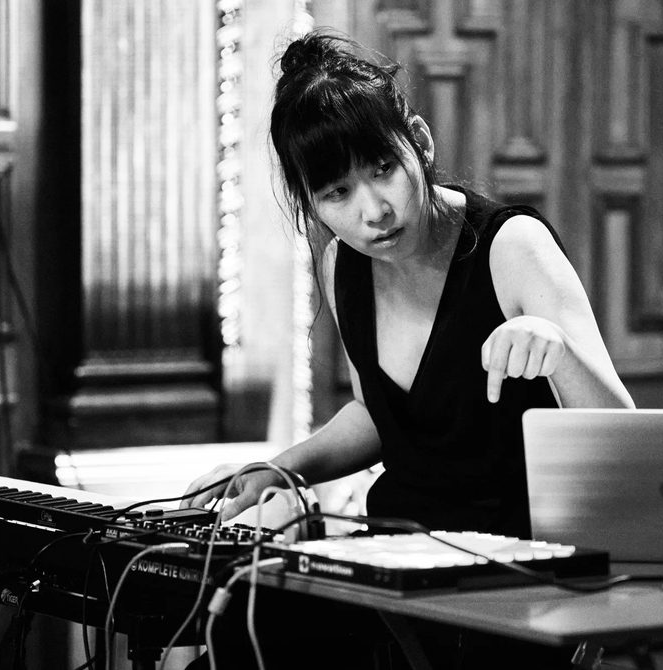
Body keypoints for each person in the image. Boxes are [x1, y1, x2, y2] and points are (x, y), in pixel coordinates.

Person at [183, 29, 634, 669]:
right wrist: (281, 468)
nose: (373, 211)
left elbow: (624, 436)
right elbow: (381, 415)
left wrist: (558, 352)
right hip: (399, 560)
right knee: (240, 629)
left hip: (515, 575)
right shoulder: (342, 265)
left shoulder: (512, 247)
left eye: (382, 170)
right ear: (312, 204)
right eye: (336, 194)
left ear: (418, 142)